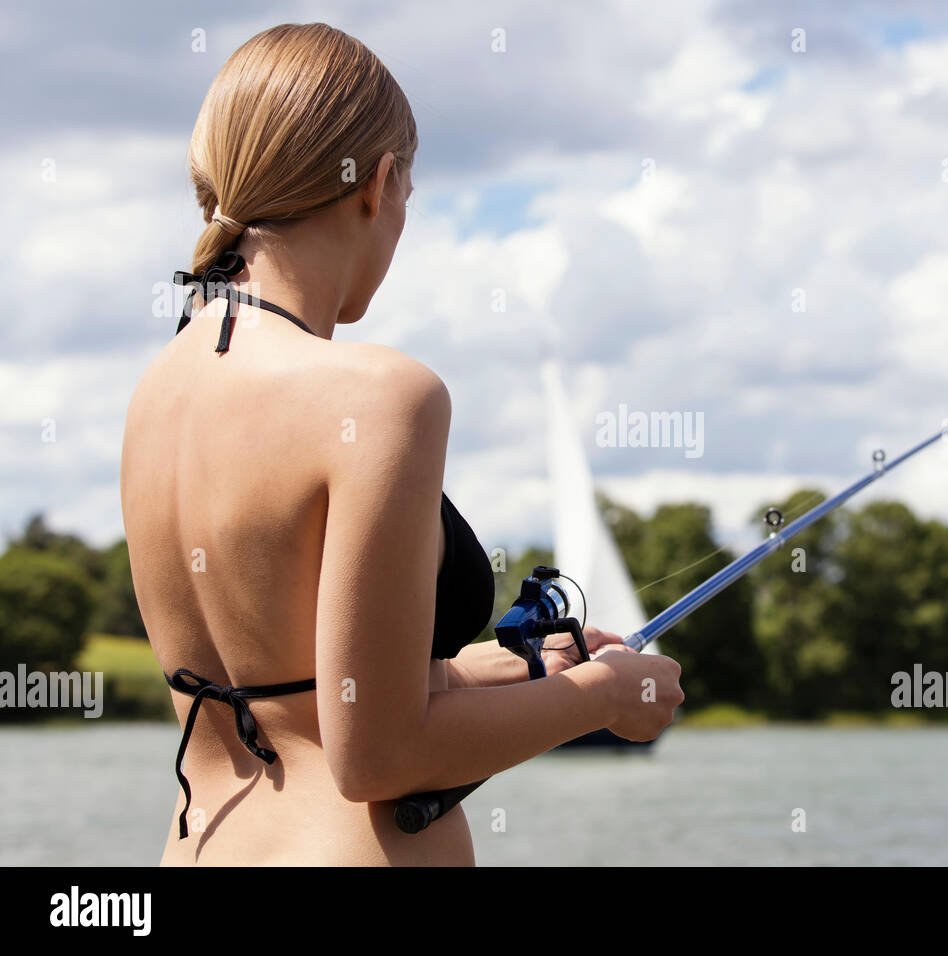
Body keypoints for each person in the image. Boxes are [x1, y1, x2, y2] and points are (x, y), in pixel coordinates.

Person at [120, 22, 683, 866]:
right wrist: (609, 693)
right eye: (408, 196)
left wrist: (532, 666)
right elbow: (376, 756)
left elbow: (310, 696)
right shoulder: (382, 397)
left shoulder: (155, 395)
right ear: (376, 186)